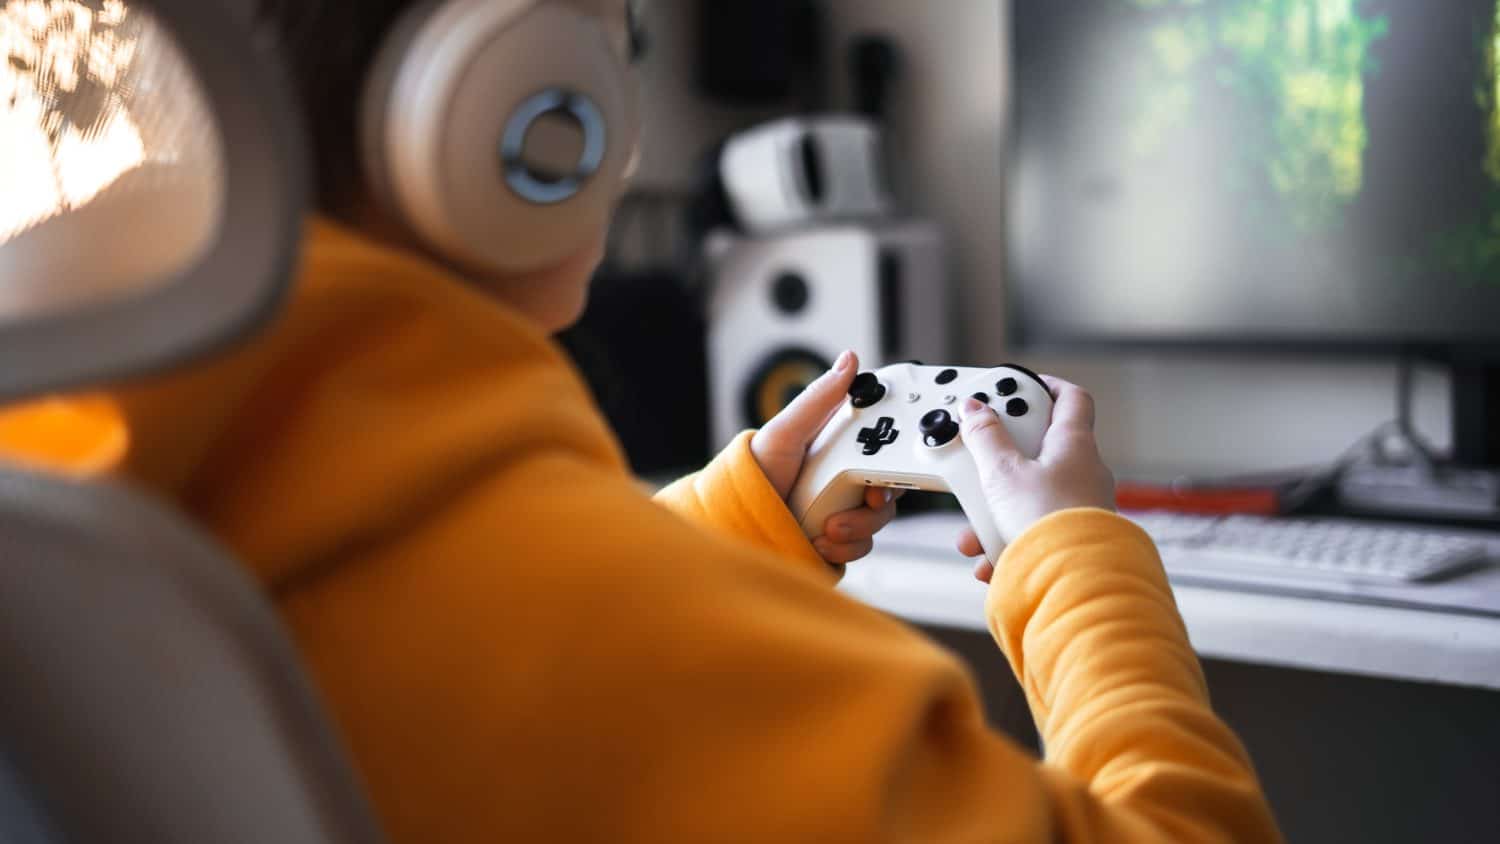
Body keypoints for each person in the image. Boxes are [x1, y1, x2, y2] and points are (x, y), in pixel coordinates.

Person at [0, 0, 1282, 840]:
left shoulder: (105, 459)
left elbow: (482, 650)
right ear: (513, 94)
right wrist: (1078, 555)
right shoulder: (584, 619)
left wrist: (731, 533)